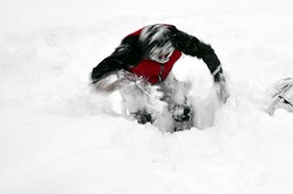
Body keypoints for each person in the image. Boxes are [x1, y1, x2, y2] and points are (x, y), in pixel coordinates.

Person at [91, 24, 228, 132]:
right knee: (143, 116)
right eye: (159, 56)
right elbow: (97, 74)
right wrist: (105, 84)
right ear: (146, 51)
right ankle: (145, 143)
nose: (164, 58)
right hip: (133, 78)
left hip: (162, 75)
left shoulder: (178, 39)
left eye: (168, 54)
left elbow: (206, 52)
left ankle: (185, 137)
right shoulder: (129, 51)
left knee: (181, 107)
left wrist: (218, 78)